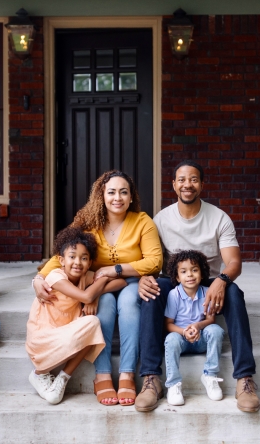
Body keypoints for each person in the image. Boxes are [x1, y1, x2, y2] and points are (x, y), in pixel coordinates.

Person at [135, 160, 260, 413]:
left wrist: (222, 281)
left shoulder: (219, 218)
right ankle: (151, 379)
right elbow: (150, 258)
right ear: (173, 185)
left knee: (235, 293)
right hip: (175, 279)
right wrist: (143, 276)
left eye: (193, 179)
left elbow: (234, 262)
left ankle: (244, 379)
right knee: (152, 292)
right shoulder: (161, 219)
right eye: (181, 179)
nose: (187, 184)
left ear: (202, 185)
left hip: (212, 279)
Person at [33, 170, 163, 406]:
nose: (117, 198)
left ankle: (127, 374)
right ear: (101, 195)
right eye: (111, 192)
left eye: (124, 192)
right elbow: (63, 251)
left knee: (127, 303)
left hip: (130, 280)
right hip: (97, 284)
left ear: (131, 196)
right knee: (103, 305)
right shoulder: (89, 221)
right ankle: (102, 375)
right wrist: (39, 278)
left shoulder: (142, 221)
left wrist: (117, 269)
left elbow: (154, 261)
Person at [26, 227, 122, 405]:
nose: (78, 262)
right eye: (72, 257)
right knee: (92, 322)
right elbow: (86, 297)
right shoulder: (55, 276)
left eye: (84, 258)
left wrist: (98, 289)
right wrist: (93, 292)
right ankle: (39, 374)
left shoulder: (85, 278)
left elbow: (120, 281)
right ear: (61, 260)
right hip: (43, 339)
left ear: (90, 262)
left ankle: (62, 379)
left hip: (66, 335)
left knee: (92, 325)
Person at [163, 250, 225, 406]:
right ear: (177, 277)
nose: (189, 275)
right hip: (181, 340)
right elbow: (168, 324)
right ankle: (173, 384)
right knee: (170, 340)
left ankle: (210, 376)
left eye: (194, 270)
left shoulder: (207, 292)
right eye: (183, 272)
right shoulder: (174, 295)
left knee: (216, 330)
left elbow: (211, 319)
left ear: (202, 273)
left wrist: (198, 325)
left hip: (200, 338)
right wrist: (184, 332)